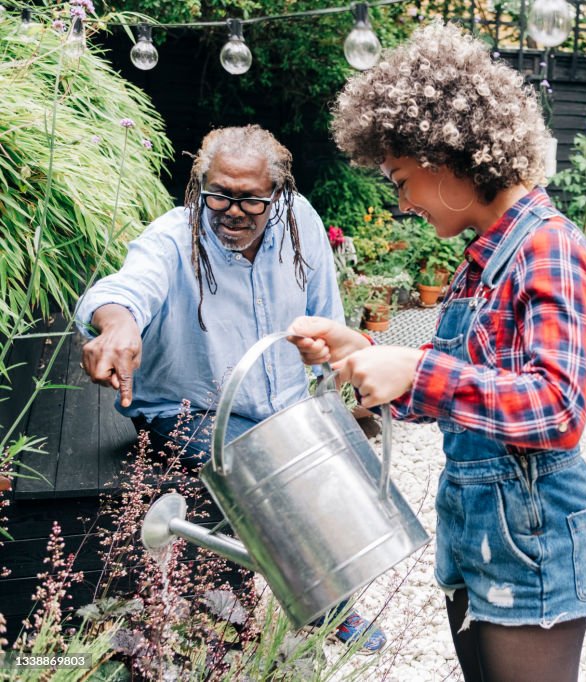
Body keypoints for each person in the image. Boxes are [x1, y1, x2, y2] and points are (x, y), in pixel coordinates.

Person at [288, 22, 586, 681]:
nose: (401, 203)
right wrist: (363, 353)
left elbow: (559, 408)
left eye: (402, 179)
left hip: (535, 542)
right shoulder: (479, 263)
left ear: (450, 158)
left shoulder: (549, 247)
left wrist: (416, 369)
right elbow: (452, 393)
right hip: (476, 533)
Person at [75, 124, 385, 653]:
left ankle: (323, 595)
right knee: (264, 467)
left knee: (335, 475)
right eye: (219, 194)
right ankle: (286, 615)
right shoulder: (174, 237)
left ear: (278, 193)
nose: (232, 210)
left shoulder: (300, 221)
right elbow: (126, 288)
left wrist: (340, 376)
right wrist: (118, 324)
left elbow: (327, 314)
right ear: (200, 187)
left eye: (250, 199)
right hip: (190, 408)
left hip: (282, 400)